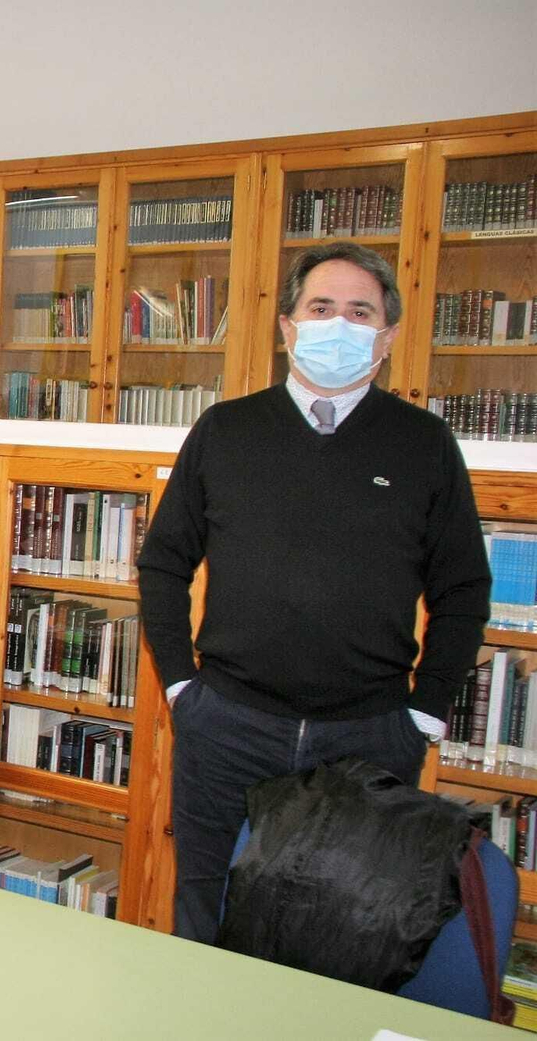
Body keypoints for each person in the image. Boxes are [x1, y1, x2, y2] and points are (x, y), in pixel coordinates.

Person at [137, 241, 491, 945]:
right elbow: (163, 563)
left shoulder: (423, 444)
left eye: (360, 311)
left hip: (370, 737)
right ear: (288, 327)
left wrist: (425, 713)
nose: (338, 323)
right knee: (207, 917)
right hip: (227, 727)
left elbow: (464, 587)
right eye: (321, 307)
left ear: (387, 336)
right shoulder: (226, 431)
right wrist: (182, 687)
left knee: (352, 935)